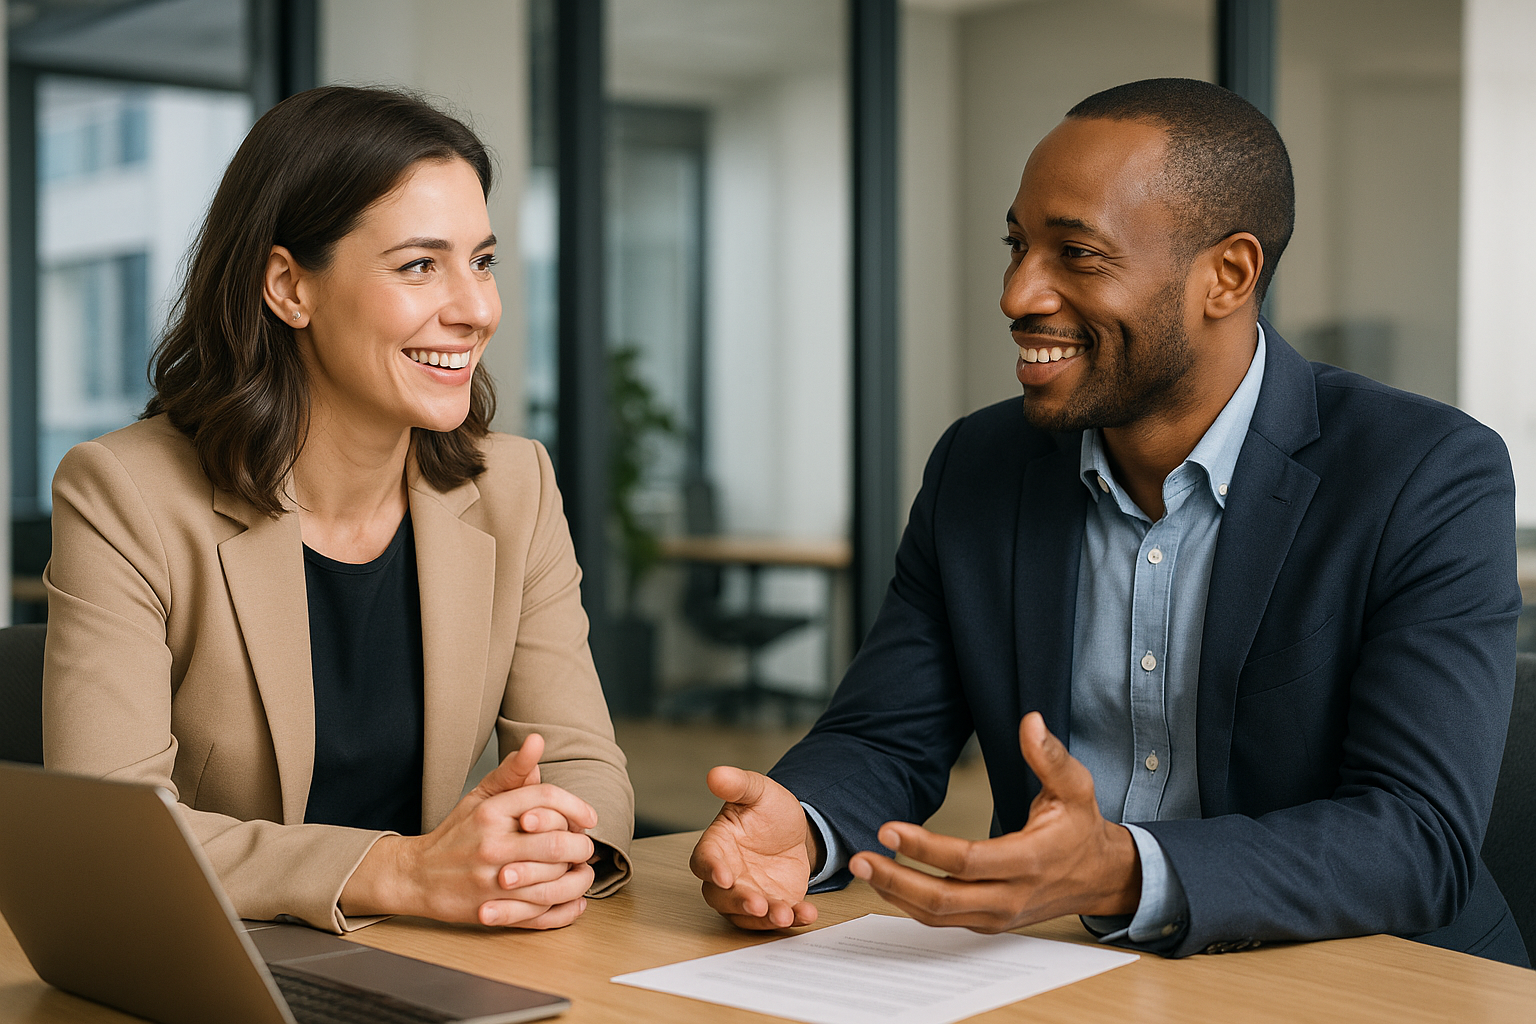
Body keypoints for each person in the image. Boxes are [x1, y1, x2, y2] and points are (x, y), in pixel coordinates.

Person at [690, 78, 1527, 966]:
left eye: (1077, 255)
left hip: (1367, 977)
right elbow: (883, 733)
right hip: (1058, 970)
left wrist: (1124, 871)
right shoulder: (980, 466)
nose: (1019, 293)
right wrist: (805, 824)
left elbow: (1416, 836)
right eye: (1017, 246)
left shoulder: (1425, 472)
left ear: (1228, 275)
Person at [43, 86, 633, 934]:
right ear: (288, 286)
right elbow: (111, 833)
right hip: (216, 964)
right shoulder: (124, 495)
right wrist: (398, 869)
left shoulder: (515, 487)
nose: (475, 308)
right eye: (420, 265)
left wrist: (543, 842)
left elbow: (581, 759)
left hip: (441, 953)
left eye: (483, 260)